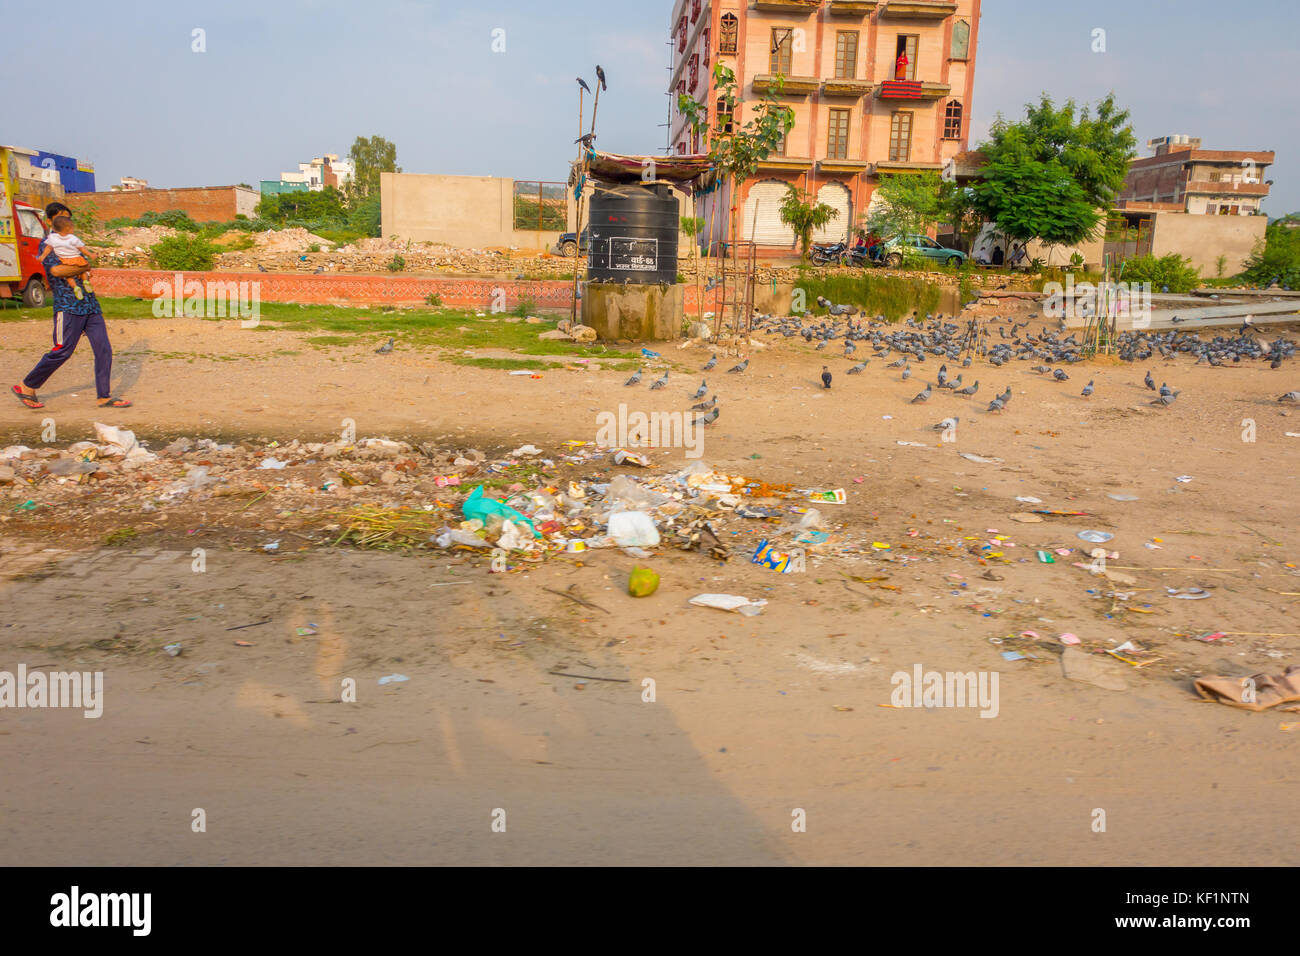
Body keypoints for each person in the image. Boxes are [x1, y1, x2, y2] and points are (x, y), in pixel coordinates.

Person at [11, 203, 131, 409]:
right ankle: (27, 386)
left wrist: (79, 266)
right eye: (60, 219)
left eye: (67, 219)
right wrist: (79, 267)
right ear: (50, 222)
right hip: (68, 306)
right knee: (62, 350)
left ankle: (104, 395)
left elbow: (85, 265)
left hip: (90, 305)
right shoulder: (46, 245)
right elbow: (57, 271)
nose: (65, 223)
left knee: (104, 349)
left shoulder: (74, 244)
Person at [42, 213, 94, 299]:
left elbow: (48, 247)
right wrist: (90, 255)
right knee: (83, 271)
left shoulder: (53, 237)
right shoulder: (73, 238)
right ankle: (85, 281)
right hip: (77, 258)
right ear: (68, 228)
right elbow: (82, 249)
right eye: (72, 227)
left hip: (65, 260)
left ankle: (75, 287)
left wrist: (42, 256)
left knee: (68, 275)